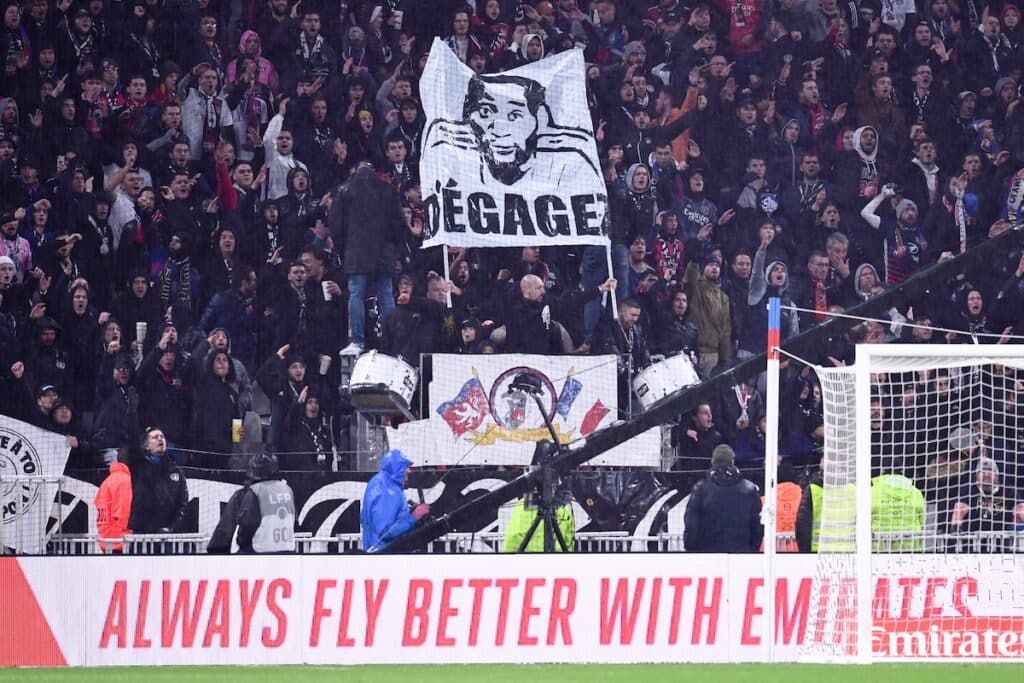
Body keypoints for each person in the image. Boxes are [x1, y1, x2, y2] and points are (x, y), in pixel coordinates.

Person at [207, 454, 296, 554]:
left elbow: (246, 526)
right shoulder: (287, 490)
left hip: (259, 552)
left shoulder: (252, 492)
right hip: (288, 551)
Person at [684, 445, 763, 553]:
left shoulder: (700, 489)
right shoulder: (749, 489)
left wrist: (692, 550)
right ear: (733, 461)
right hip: (742, 554)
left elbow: (691, 524)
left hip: (707, 555)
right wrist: (752, 550)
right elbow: (757, 526)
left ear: (712, 461)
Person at [360, 449, 429, 552]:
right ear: (398, 468)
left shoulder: (380, 482)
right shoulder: (388, 490)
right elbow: (385, 532)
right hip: (385, 556)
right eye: (406, 467)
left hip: (379, 553)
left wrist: (409, 513)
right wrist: (413, 517)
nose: (409, 471)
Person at [127, 426, 189, 535]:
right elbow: (133, 442)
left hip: (166, 535)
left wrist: (171, 527)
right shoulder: (139, 466)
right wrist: (132, 413)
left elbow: (182, 502)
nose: (160, 439)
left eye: (162, 437)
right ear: (146, 446)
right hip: (142, 534)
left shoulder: (175, 470)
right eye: (155, 437)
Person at [94, 448, 132, 552]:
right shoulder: (124, 481)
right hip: (121, 543)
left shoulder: (107, 481)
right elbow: (123, 514)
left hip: (106, 541)